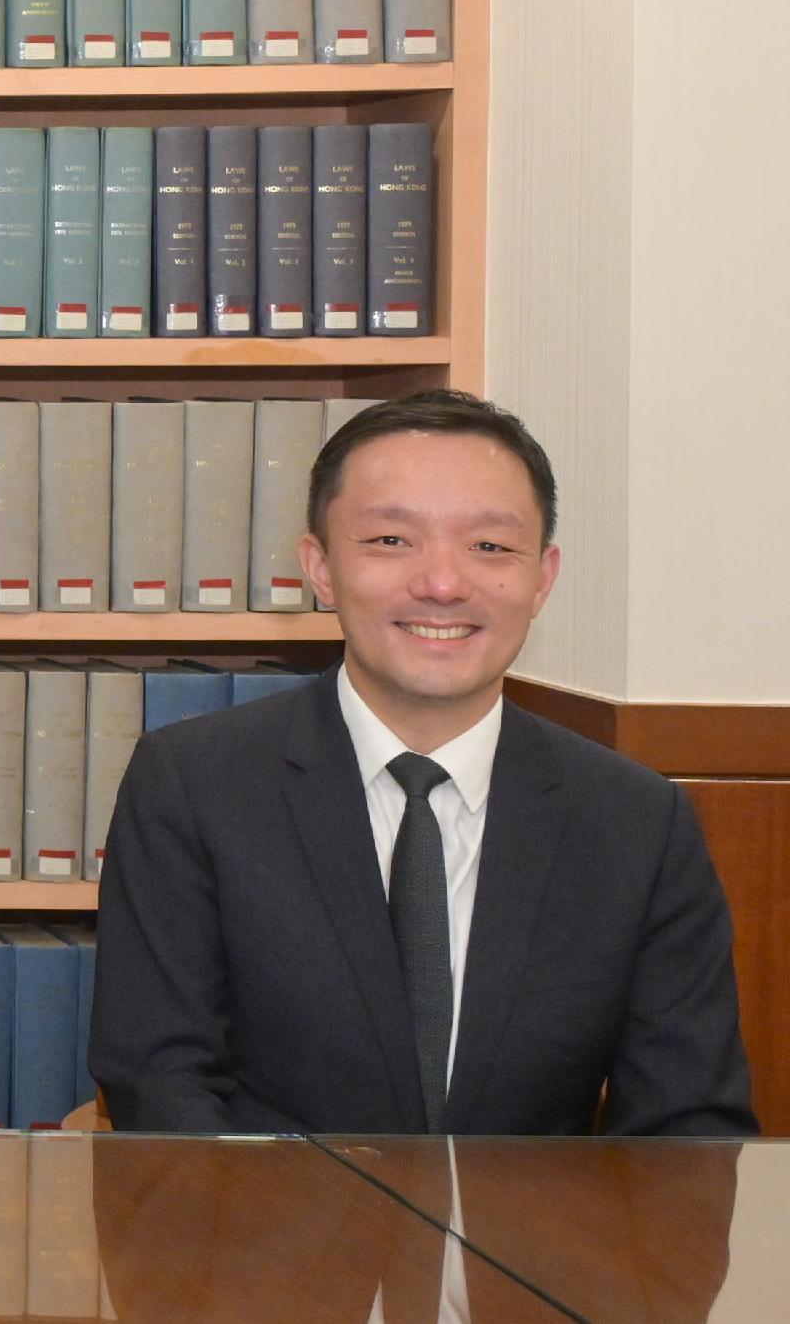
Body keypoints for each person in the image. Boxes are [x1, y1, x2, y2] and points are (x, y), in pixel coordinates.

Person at [92, 389, 756, 1136]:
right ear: (320, 567)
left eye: (490, 547)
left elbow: (688, 1130)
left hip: (534, 1219)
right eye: (391, 540)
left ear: (542, 577)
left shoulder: (636, 822)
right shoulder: (194, 785)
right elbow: (161, 1085)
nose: (443, 584)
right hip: (267, 1214)